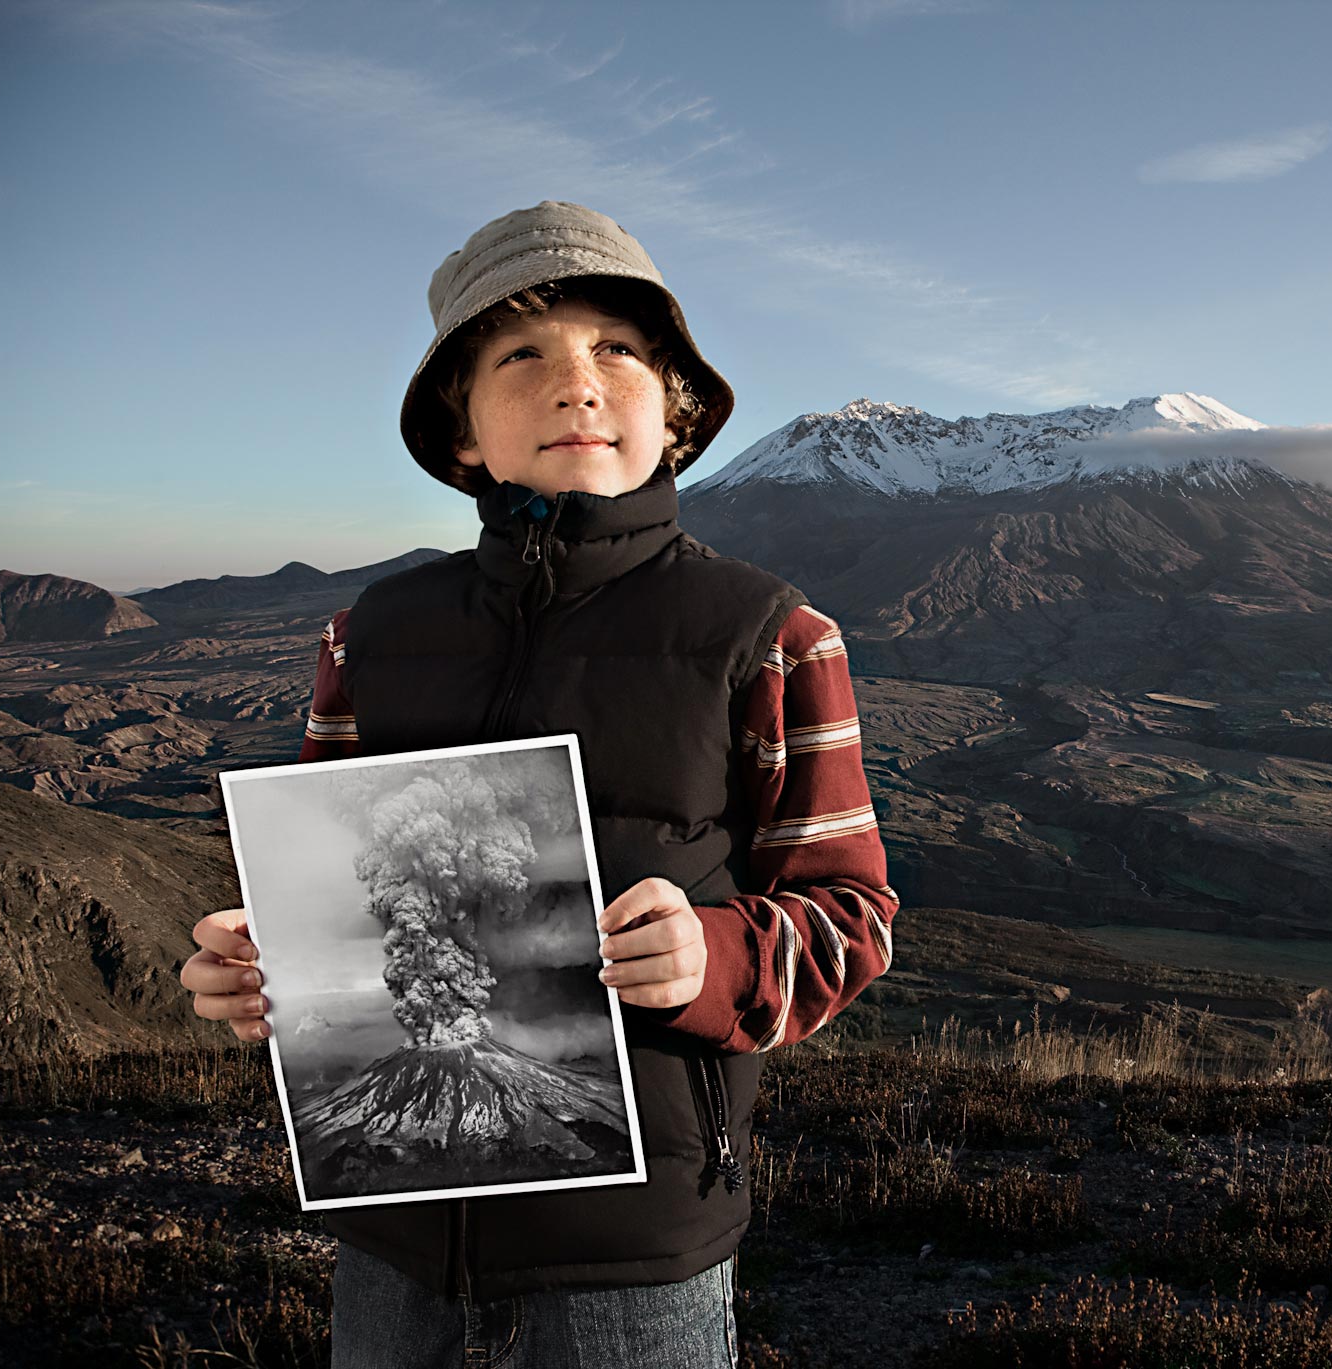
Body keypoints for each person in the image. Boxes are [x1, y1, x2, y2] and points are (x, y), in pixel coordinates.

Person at [178, 200, 901, 1367]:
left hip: (635, 1247)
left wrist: (713, 958)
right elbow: (326, 875)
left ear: (674, 409)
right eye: (522, 356)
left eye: (617, 349)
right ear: (461, 430)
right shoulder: (370, 635)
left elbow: (850, 918)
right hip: (394, 1235)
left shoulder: (770, 634)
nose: (577, 383)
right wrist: (262, 956)